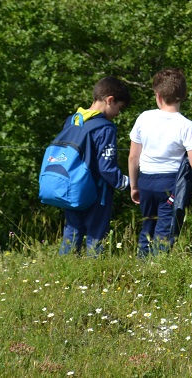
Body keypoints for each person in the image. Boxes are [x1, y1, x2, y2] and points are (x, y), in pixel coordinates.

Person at [129, 69, 192, 257]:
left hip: (145, 181)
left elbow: (133, 157)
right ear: (184, 95)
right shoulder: (187, 126)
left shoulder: (144, 117)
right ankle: (158, 271)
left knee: (147, 227)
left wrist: (133, 185)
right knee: (164, 232)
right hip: (170, 184)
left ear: (158, 95)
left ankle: (141, 265)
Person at [58, 76, 132, 255]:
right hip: (97, 191)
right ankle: (94, 274)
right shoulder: (105, 128)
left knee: (72, 231)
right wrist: (127, 183)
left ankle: (63, 270)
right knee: (96, 235)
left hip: (71, 186)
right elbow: (106, 167)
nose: (117, 114)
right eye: (119, 108)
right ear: (110, 100)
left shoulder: (73, 120)